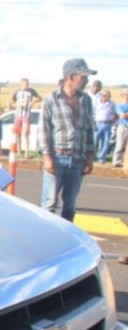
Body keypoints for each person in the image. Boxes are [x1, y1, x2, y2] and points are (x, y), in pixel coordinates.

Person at [39, 58, 96, 222]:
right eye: (82, 77)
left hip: (77, 158)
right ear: (71, 77)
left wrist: (90, 156)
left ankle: (66, 238)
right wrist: (47, 156)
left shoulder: (86, 100)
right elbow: (44, 129)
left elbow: (89, 128)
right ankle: (47, 239)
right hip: (58, 157)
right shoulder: (51, 99)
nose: (86, 80)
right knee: (49, 204)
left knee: (69, 206)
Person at [11, 78, 41, 157]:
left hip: (26, 115)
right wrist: (17, 105)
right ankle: (19, 151)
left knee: (25, 134)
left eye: (27, 84)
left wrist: (33, 102)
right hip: (18, 115)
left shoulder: (31, 91)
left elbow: (40, 98)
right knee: (17, 134)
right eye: (25, 84)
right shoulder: (17, 92)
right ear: (21, 84)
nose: (26, 85)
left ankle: (26, 153)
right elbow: (12, 103)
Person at [93, 90, 116, 164]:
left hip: (107, 124)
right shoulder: (97, 102)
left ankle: (102, 157)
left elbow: (115, 114)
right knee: (95, 140)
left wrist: (113, 122)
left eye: (109, 96)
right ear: (102, 96)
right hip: (97, 123)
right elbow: (92, 112)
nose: (107, 97)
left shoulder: (112, 103)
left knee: (105, 141)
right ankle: (92, 156)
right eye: (105, 95)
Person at [112, 89, 128, 168]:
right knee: (120, 144)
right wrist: (125, 114)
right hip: (123, 126)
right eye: (126, 94)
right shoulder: (120, 105)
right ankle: (116, 161)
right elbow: (122, 115)